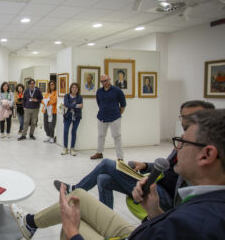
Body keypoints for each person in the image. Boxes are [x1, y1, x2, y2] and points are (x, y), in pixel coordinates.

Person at [11, 109, 225, 240]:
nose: (176, 149)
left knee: (74, 220)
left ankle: (39, 224)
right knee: (82, 196)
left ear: (206, 155)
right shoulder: (204, 203)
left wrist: (73, 233)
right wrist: (154, 212)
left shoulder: (196, 225)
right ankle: (31, 223)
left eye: (182, 142)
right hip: (148, 224)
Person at [54, 100, 215, 210]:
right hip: (157, 182)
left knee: (106, 164)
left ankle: (74, 189)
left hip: (165, 196)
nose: (185, 121)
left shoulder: (203, 147)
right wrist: (145, 165)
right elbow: (168, 165)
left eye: (192, 116)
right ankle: (105, 217)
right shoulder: (184, 140)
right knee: (103, 179)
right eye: (183, 116)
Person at [91, 75, 126, 160]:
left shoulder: (117, 91)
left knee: (117, 137)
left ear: (109, 80)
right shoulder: (99, 91)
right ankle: (99, 153)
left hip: (114, 117)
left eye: (105, 81)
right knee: (101, 136)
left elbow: (123, 105)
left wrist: (117, 113)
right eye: (102, 81)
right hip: (101, 117)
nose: (104, 83)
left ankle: (120, 158)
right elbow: (99, 103)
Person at [61, 83, 83, 156]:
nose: (74, 89)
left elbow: (81, 106)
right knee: (65, 131)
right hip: (68, 116)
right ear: (70, 88)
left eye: (76, 88)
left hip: (77, 116)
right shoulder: (66, 96)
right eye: (73, 87)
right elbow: (66, 104)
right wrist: (76, 105)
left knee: (74, 132)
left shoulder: (79, 97)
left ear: (78, 89)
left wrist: (71, 105)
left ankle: (72, 148)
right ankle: (65, 148)